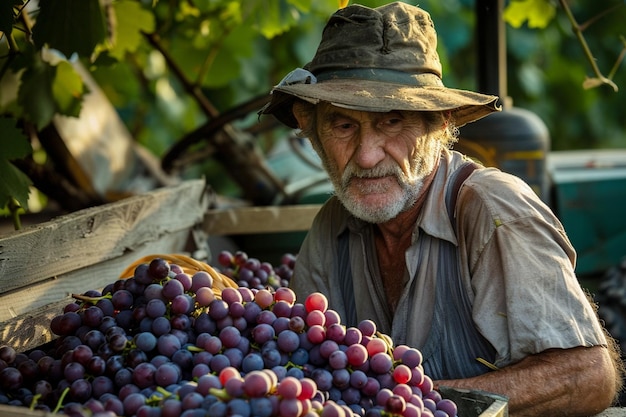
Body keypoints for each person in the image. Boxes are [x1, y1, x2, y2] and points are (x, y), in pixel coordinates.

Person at [260, 2, 624, 416]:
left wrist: (412, 400)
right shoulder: (332, 227)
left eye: (392, 122)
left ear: (442, 124)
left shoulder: (490, 209)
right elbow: (305, 366)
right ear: (313, 131)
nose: (365, 156)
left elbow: (587, 376)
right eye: (343, 125)